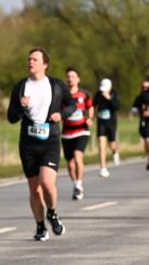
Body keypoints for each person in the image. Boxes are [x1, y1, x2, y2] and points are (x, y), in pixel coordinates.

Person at [7, 48, 75, 241]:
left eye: (35, 59)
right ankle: (40, 227)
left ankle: (52, 213)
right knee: (34, 188)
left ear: (45, 64)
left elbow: (72, 105)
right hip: (28, 144)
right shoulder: (20, 87)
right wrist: (21, 107)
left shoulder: (56, 85)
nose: (31, 62)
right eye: (29, 59)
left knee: (47, 184)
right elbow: (11, 117)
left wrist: (61, 115)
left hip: (50, 141)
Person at [61, 67, 94, 200]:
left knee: (77, 156)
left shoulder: (84, 94)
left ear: (78, 79)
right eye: (68, 76)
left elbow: (90, 107)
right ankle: (76, 184)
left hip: (81, 131)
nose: (70, 79)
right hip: (66, 132)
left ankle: (79, 183)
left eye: (73, 76)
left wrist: (90, 117)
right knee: (70, 164)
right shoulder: (62, 95)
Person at [94, 78, 120, 178]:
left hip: (111, 123)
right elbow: (93, 105)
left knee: (112, 144)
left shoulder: (114, 94)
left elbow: (117, 107)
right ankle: (103, 168)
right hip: (101, 122)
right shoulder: (98, 94)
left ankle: (115, 151)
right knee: (101, 142)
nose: (103, 91)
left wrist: (109, 98)